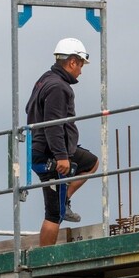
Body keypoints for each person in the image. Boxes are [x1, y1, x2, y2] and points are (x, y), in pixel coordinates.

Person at [25, 38, 99, 246]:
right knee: (53, 214)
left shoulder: (45, 80)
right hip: (50, 155)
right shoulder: (58, 87)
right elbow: (53, 124)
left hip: (46, 149)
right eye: (81, 65)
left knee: (90, 163)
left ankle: (64, 198)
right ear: (72, 62)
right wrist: (61, 157)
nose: (81, 71)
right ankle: (44, 260)